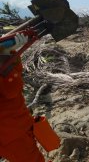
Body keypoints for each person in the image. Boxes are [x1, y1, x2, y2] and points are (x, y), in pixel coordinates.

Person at [0, 33, 46, 161]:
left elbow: (18, 72)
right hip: (11, 130)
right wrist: (5, 59)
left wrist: (9, 54)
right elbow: (12, 90)